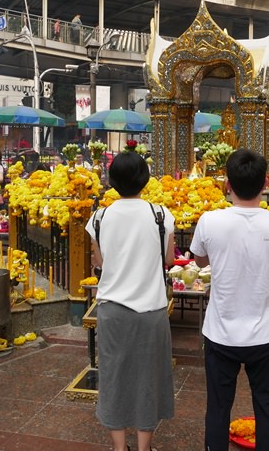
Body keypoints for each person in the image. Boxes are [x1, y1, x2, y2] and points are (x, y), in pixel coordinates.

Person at [191, 149, 269, 451]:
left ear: (226, 184)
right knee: (267, 407)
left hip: (221, 332)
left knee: (218, 408)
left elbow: (199, 261)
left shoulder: (209, 221)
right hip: (265, 334)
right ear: (267, 184)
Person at [86, 152, 175, 451]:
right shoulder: (160, 215)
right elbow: (169, 258)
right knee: (149, 376)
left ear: (112, 182)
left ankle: (118, 446)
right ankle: (144, 446)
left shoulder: (98, 217)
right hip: (151, 310)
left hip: (112, 310)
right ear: (145, 179)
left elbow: (100, 262)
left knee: (113, 375)